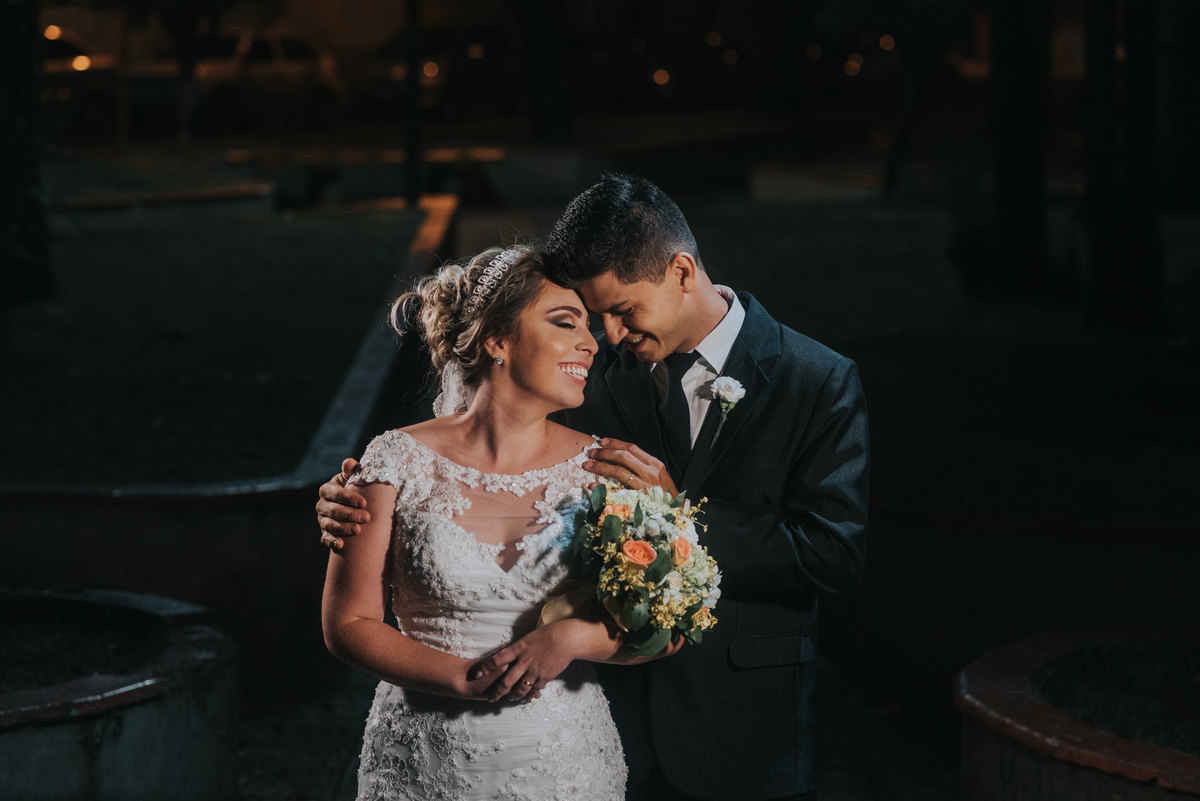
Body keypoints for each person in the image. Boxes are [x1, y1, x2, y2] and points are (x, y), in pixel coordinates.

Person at [319, 175, 870, 801]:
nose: (606, 336)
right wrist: (358, 504)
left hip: (739, 724)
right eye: (590, 316)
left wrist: (679, 512)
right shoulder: (584, 374)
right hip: (599, 718)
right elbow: (488, 460)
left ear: (682, 272)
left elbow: (834, 553)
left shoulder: (816, 380)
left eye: (622, 311)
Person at [321, 244, 674, 801]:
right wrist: (463, 679)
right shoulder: (394, 460)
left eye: (590, 326)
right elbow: (348, 624)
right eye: (565, 322)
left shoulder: (608, 470)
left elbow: (667, 624)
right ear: (497, 340)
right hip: (421, 758)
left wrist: (572, 638)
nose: (591, 342)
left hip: (562, 762)